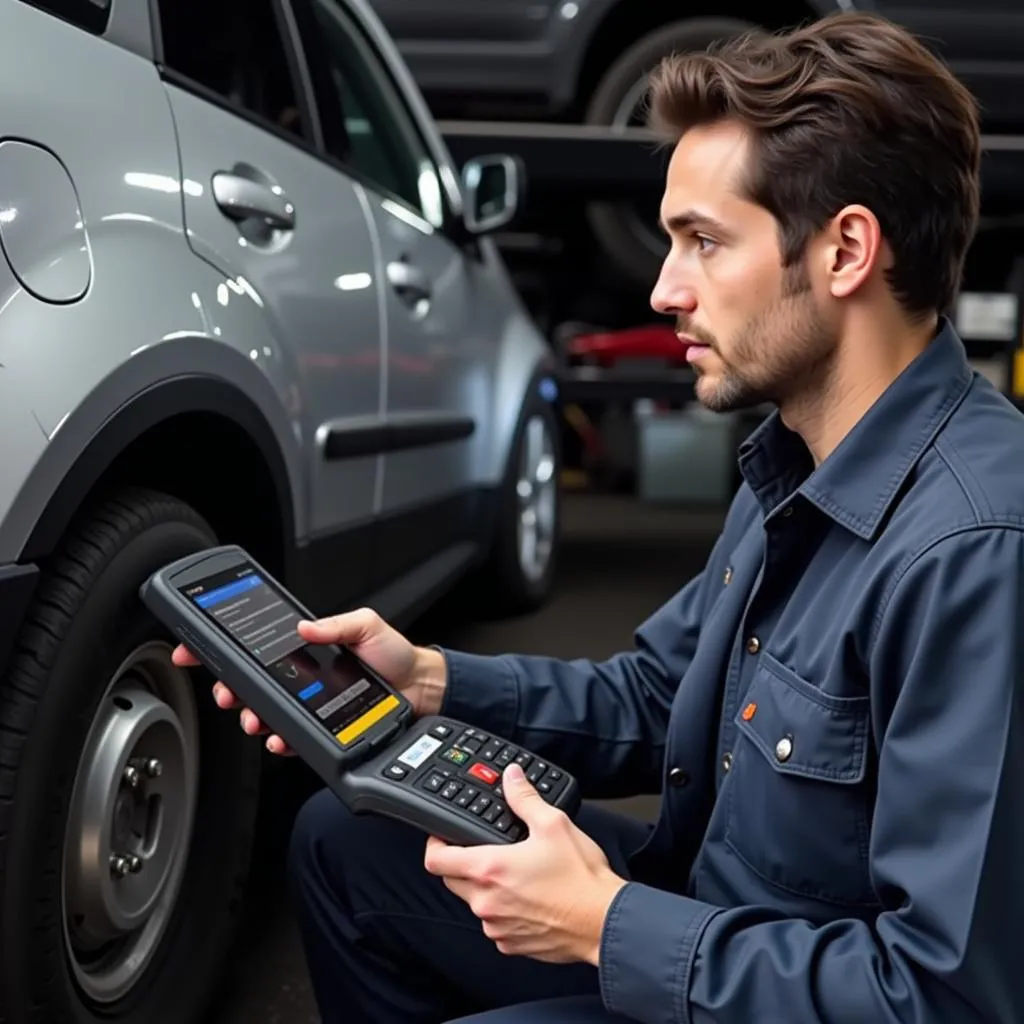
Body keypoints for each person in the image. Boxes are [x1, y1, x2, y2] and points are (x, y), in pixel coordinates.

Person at [175, 11, 1024, 1023]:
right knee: (349, 842)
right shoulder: (798, 461)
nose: (664, 289)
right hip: (714, 915)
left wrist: (604, 924)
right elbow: (661, 698)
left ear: (844, 251)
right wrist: (431, 679)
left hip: (794, 987)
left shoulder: (976, 550)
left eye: (702, 241)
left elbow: (945, 995)